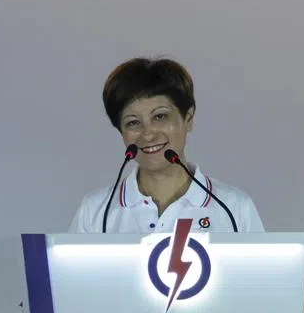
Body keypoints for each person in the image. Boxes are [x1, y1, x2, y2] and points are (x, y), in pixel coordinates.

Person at [70, 58, 263, 233]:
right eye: (133, 122)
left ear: (188, 118)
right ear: (121, 132)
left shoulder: (235, 208)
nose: (148, 134)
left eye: (160, 116)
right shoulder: (95, 212)